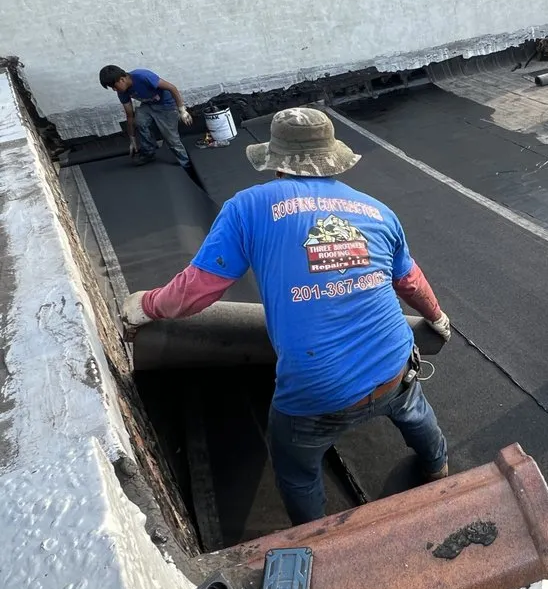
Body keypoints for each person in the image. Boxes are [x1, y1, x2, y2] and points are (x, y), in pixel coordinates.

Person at [120, 106, 452, 526]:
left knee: (294, 464)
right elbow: (410, 282)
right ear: (333, 159)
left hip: (317, 392)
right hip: (394, 364)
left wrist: (145, 305)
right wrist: (437, 318)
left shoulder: (249, 207)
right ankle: (437, 467)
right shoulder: (377, 211)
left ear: (276, 162)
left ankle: (313, 534)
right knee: (413, 409)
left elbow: (197, 290)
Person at [99, 65, 193, 169]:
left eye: (114, 86)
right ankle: (149, 153)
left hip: (166, 106)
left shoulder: (142, 76)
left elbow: (172, 88)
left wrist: (182, 110)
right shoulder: (122, 92)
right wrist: (132, 139)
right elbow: (130, 115)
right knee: (140, 121)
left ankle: (185, 162)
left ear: (122, 79)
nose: (114, 90)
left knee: (170, 137)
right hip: (149, 105)